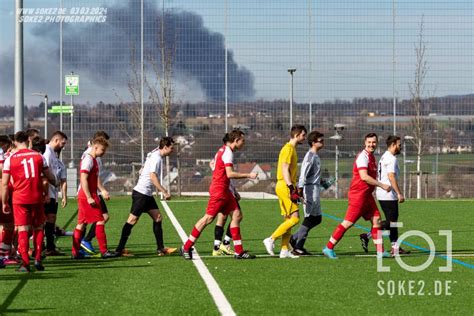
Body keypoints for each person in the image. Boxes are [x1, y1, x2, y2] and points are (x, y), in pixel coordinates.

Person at [181, 130, 257, 260]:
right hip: (219, 191)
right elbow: (229, 174)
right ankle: (186, 247)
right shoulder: (227, 153)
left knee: (237, 215)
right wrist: (249, 175)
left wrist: (233, 190)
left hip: (225, 190)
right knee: (208, 219)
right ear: (236, 140)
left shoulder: (222, 150)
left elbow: (217, 168)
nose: (244, 143)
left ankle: (239, 251)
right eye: (242, 141)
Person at [322, 133, 391, 259]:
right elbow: (364, 177)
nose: (371, 144)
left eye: (374, 142)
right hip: (358, 195)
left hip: (367, 196)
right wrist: (381, 185)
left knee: (376, 220)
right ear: (365, 143)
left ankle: (380, 251)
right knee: (347, 223)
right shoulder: (362, 157)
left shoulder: (371, 157)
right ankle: (328, 247)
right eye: (369, 142)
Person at [1, 131, 57, 272]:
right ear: (28, 141)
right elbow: (49, 176)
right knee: (38, 227)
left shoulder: (10, 159)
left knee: (23, 229)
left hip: (20, 198)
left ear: (15, 142)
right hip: (37, 197)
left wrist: (4, 202)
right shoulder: (38, 156)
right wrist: (55, 182)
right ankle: (38, 259)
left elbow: (4, 183)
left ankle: (25, 263)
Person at [115, 137, 177, 256]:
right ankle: (119, 250)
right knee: (132, 220)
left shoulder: (154, 153)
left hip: (147, 194)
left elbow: (149, 157)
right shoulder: (157, 158)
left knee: (157, 217)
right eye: (171, 148)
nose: (172, 150)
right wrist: (164, 191)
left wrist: (143, 168)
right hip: (141, 194)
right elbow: (153, 177)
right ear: (165, 147)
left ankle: (161, 249)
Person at [359, 135, 411, 256]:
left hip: (383, 193)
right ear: (393, 145)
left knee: (392, 221)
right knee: (392, 222)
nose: (400, 147)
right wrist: (399, 193)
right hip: (388, 193)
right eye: (399, 145)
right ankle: (370, 237)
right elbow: (391, 176)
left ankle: (394, 246)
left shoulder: (385, 156)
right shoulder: (391, 159)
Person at [263, 125, 307, 259]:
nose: (304, 138)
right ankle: (271, 239)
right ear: (297, 135)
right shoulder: (288, 149)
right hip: (284, 185)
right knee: (295, 219)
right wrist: (291, 188)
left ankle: (284, 250)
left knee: (288, 219)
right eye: (303, 135)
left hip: (285, 185)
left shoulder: (291, 149)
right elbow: (284, 169)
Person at [72, 137, 116, 259]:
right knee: (101, 219)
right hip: (87, 196)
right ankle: (104, 251)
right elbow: (83, 178)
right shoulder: (88, 159)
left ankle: (75, 252)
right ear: (95, 147)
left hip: (89, 195)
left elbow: (92, 178)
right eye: (102, 150)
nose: (104, 152)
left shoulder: (94, 160)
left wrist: (101, 190)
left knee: (81, 224)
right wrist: (89, 197)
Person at [289, 130, 325, 256]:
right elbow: (303, 174)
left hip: (314, 188)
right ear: (313, 142)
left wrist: (321, 181)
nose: (323, 143)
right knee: (309, 218)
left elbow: (311, 174)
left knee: (317, 218)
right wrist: (300, 190)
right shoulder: (310, 156)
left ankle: (294, 238)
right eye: (321, 141)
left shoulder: (315, 156)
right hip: (309, 190)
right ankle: (298, 246)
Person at [80, 131, 112, 255]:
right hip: (90, 192)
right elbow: (87, 177)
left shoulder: (92, 154)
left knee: (85, 221)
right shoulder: (90, 156)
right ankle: (86, 242)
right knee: (101, 217)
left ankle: (81, 246)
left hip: (91, 191)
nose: (105, 150)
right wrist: (102, 190)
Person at [42, 131, 68, 256]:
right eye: (63, 143)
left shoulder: (54, 155)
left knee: (51, 219)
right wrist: (45, 193)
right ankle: (43, 246)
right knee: (45, 219)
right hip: (47, 193)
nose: (63, 146)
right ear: (56, 140)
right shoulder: (46, 152)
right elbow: (43, 174)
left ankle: (49, 247)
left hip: (53, 192)